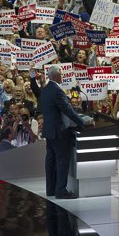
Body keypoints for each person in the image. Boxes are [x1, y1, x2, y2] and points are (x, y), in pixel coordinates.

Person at [41, 65, 87, 200]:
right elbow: (67, 109)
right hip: (58, 131)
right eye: (61, 75)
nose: (63, 77)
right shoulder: (56, 91)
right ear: (56, 76)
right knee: (62, 160)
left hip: (49, 131)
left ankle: (51, 190)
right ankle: (61, 191)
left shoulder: (46, 90)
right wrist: (82, 122)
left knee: (51, 160)